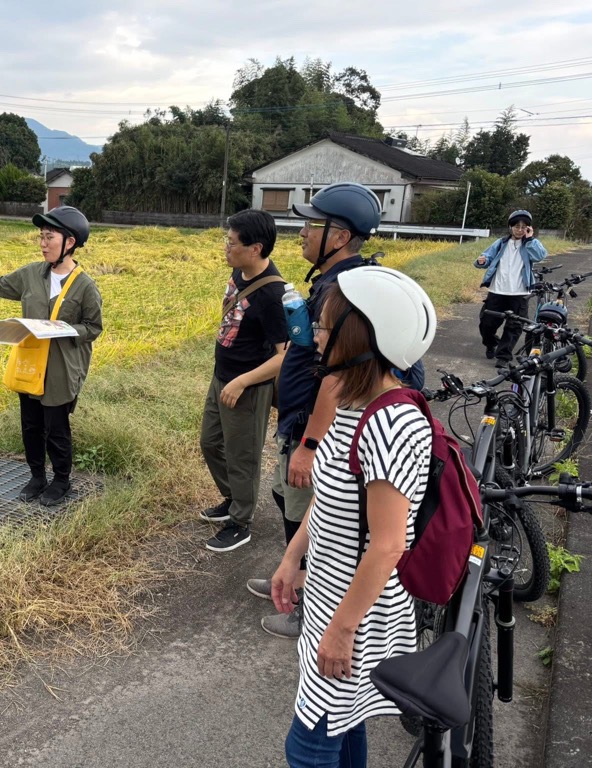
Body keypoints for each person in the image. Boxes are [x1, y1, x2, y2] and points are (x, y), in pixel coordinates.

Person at [271, 266, 436, 767]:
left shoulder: (392, 422)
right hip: (330, 594)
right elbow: (330, 501)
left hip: (358, 612)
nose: (315, 335)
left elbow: (388, 545)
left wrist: (342, 630)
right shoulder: (350, 401)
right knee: (343, 726)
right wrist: (292, 556)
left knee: (308, 747)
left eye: (324, 325)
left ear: (361, 333)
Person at [246, 182, 425, 638]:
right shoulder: (338, 282)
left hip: (317, 429)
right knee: (289, 500)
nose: (302, 233)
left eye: (312, 225)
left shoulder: (346, 295)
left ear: (340, 237)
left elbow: (336, 376)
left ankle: (306, 607)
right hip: (303, 422)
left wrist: (309, 443)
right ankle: (295, 575)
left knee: (313, 509)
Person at [0, 206, 103, 506]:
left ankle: (61, 480)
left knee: (56, 429)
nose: (42, 243)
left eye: (49, 237)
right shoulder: (30, 275)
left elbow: (93, 328)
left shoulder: (85, 286)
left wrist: (63, 329)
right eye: (41, 237)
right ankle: (37, 476)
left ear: (70, 242)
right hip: (29, 364)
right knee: (31, 426)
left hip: (60, 370)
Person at [198, 209, 289, 552]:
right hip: (222, 375)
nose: (226, 247)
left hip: (247, 387)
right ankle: (234, 499)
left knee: (243, 456)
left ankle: (241, 522)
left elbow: (285, 356)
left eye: (232, 242)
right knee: (210, 443)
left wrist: (241, 382)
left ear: (256, 248)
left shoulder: (273, 295)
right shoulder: (239, 271)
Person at [475, 209, 547, 366]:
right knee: (487, 324)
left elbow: (540, 255)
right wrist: (482, 261)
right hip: (497, 290)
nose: (520, 230)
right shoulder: (501, 243)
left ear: (528, 228)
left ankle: (503, 356)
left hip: (519, 292)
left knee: (514, 326)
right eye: (517, 226)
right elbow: (487, 257)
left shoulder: (530, 244)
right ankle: (491, 343)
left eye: (524, 227)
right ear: (511, 227)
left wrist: (530, 239)